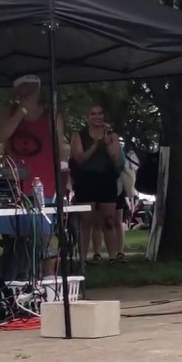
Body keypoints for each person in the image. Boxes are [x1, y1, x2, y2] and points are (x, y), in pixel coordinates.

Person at [0, 74, 69, 277]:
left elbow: (59, 145)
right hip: (15, 186)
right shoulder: (8, 112)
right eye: (23, 88)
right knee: (15, 241)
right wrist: (22, 111)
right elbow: (2, 135)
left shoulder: (51, 114)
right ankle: (15, 286)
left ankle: (47, 286)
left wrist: (65, 179)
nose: (28, 92)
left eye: (32, 88)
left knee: (43, 240)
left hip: (45, 184)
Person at [70, 103, 124, 262]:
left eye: (100, 113)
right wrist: (95, 144)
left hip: (107, 178)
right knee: (87, 220)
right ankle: (83, 259)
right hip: (86, 179)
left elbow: (116, 158)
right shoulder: (78, 135)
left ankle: (113, 257)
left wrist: (106, 142)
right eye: (93, 114)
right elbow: (79, 158)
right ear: (87, 118)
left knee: (109, 219)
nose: (97, 117)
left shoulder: (112, 135)